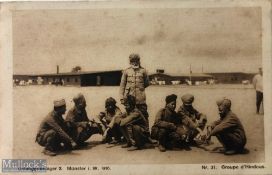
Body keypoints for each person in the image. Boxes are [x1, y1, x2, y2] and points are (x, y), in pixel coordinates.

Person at [119, 53, 150, 120]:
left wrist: (139, 89)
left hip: (141, 99)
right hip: (129, 99)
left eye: (136, 60)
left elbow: (147, 83)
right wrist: (122, 98)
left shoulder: (143, 71)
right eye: (133, 61)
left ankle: (145, 130)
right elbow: (122, 86)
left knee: (143, 116)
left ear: (139, 61)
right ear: (130, 61)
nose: (135, 62)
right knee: (129, 117)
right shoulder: (126, 71)